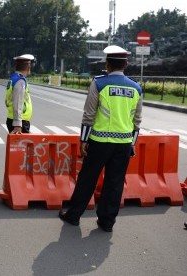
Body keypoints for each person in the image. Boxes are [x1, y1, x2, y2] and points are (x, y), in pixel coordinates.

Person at [58, 45, 143, 232]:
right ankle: (107, 222)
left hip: (99, 142)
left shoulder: (99, 84)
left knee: (88, 178)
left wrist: (83, 140)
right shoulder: (136, 88)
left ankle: (73, 215)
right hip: (123, 144)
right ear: (126, 64)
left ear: (107, 64)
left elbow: (88, 115)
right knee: (115, 182)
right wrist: (132, 143)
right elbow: (137, 121)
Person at [5, 54, 35, 134]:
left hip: (13, 119)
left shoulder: (14, 77)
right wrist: (18, 124)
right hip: (20, 121)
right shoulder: (20, 80)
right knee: (22, 146)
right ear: (28, 67)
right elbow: (18, 102)